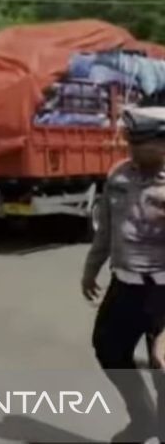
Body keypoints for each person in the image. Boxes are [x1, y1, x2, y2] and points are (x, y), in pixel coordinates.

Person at [81, 106, 165, 443]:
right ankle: (143, 419)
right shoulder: (119, 175)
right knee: (108, 348)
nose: (131, 151)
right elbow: (106, 230)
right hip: (125, 286)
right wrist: (91, 268)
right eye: (130, 143)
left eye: (139, 144)